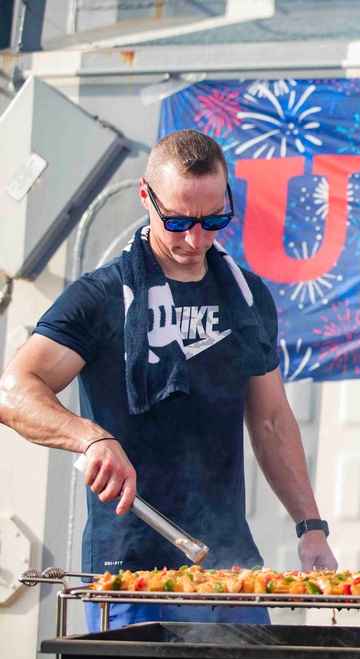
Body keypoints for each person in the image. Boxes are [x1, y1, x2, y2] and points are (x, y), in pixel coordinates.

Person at [0, 129, 337, 631]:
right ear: (146, 197)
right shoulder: (101, 297)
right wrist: (89, 437)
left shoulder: (246, 298)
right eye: (178, 221)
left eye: (213, 221)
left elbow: (268, 420)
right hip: (130, 568)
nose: (195, 240)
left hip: (229, 567)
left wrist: (310, 528)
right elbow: (14, 390)